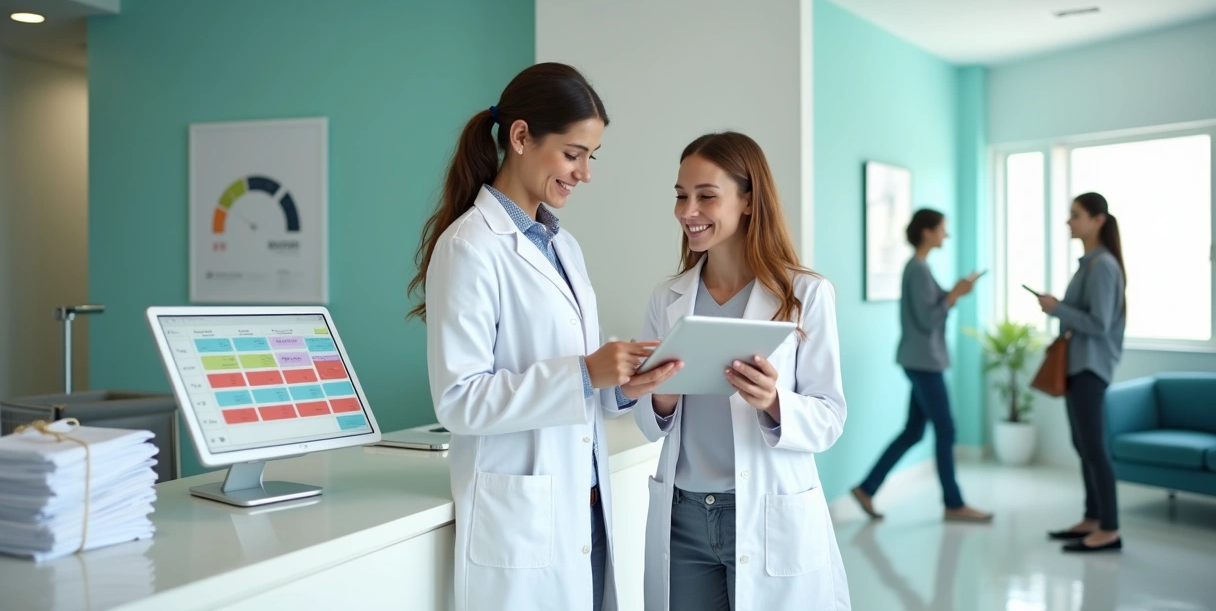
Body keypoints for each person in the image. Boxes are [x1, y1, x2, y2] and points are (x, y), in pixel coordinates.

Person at [410, 62, 681, 610]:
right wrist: (585, 372)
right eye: (573, 154)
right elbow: (459, 400)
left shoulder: (563, 248)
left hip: (587, 512)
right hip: (524, 524)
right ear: (520, 137)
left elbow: (584, 391)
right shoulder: (469, 247)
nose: (585, 174)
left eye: (590, 158)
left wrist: (627, 380)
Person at [634, 131, 850, 610]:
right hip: (683, 516)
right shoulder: (667, 298)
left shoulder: (805, 295)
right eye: (681, 195)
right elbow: (648, 423)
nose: (688, 210)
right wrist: (661, 398)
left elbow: (830, 417)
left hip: (767, 513)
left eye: (706, 196)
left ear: (749, 201)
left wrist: (775, 402)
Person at [851, 209, 992, 523]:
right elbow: (928, 319)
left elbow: (932, 305)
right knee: (946, 429)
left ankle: (866, 488)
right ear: (927, 232)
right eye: (943, 229)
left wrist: (956, 290)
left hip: (921, 360)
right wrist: (955, 294)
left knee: (914, 430)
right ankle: (953, 503)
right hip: (923, 362)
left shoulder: (921, 268)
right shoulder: (916, 268)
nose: (947, 235)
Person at [1039, 192, 1126, 553]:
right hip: (1079, 365)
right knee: (1083, 444)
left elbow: (1099, 323)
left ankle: (1109, 528)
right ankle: (1092, 517)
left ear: (1098, 220)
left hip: (1091, 366)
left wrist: (1057, 308)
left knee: (1094, 447)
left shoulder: (1102, 265)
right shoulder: (1089, 263)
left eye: (1075, 215)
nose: (1069, 222)